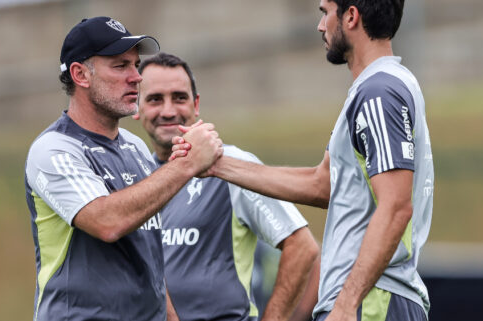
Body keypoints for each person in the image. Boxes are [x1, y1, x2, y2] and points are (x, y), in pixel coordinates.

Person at [172, 1, 434, 320]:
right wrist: (216, 164)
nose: (320, 26)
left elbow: (395, 207)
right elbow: (322, 184)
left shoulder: (379, 91)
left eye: (325, 13)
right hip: (371, 300)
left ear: (351, 16)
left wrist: (346, 304)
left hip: (372, 301)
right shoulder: (377, 89)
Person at [24, 17, 223, 321]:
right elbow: (108, 221)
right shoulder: (54, 149)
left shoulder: (135, 146)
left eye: (135, 64)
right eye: (121, 66)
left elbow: (149, 257)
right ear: (80, 74)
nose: (137, 77)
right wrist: (187, 164)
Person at [134, 52, 320, 321]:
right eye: (154, 99)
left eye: (179, 97)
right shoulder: (134, 175)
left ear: (196, 104)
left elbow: (303, 246)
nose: (168, 110)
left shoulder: (232, 166)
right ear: (136, 108)